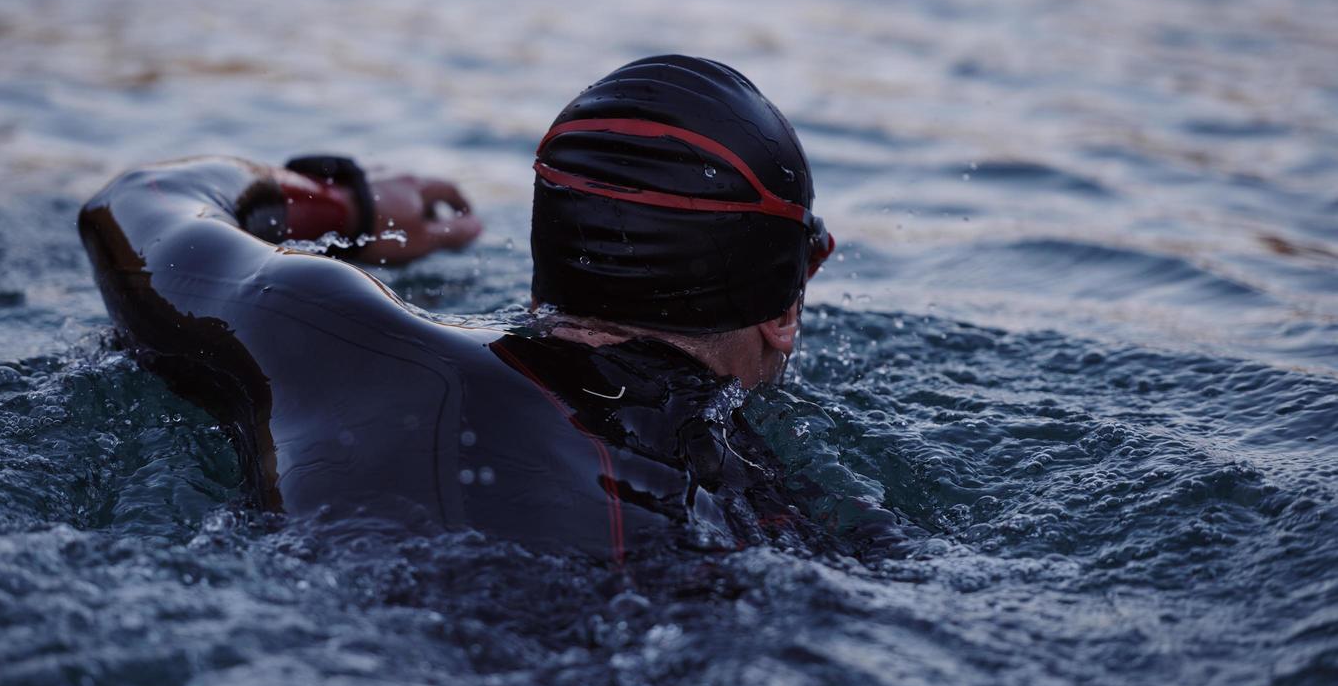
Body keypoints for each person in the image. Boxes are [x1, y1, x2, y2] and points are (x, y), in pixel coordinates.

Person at [79, 55, 896, 563]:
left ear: (549, 267)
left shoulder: (333, 331)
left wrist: (350, 208)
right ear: (784, 306)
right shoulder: (769, 506)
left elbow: (140, 204)